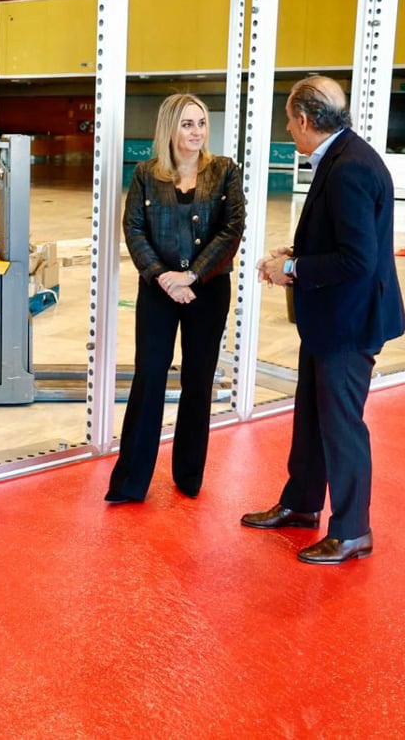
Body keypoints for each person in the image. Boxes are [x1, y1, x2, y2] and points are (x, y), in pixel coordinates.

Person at [242, 76, 405, 564]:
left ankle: (353, 530)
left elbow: (358, 259)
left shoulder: (349, 168)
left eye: (289, 121)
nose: (289, 131)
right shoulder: (344, 156)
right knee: (312, 416)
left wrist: (292, 269)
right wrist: (300, 253)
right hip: (330, 317)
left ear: (304, 119)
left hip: (348, 323)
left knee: (341, 425)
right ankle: (300, 503)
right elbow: (345, 242)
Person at [106, 93, 246, 504]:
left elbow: (232, 228)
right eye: (187, 124)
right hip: (158, 290)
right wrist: (164, 277)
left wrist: (192, 274)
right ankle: (131, 482)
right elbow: (134, 229)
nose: (196, 132)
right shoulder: (147, 174)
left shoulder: (224, 172)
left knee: (197, 381)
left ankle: (188, 475)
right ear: (169, 128)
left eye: (201, 123)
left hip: (208, 288)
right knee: (149, 377)